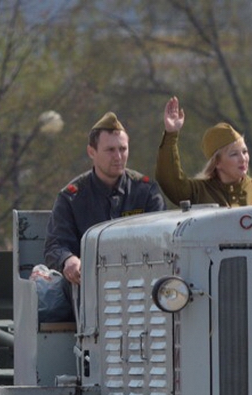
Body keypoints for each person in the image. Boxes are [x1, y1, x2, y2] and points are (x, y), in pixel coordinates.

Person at [44, 112, 165, 286]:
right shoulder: (72, 197)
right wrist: (68, 260)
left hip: (140, 282)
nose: (118, 157)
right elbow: (56, 244)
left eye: (123, 149)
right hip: (88, 286)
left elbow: (161, 238)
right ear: (91, 152)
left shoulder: (146, 192)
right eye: (110, 150)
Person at [154, 96, 252, 208]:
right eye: (234, 154)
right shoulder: (199, 192)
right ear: (217, 162)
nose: (243, 159)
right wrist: (171, 134)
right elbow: (170, 180)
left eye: (244, 152)